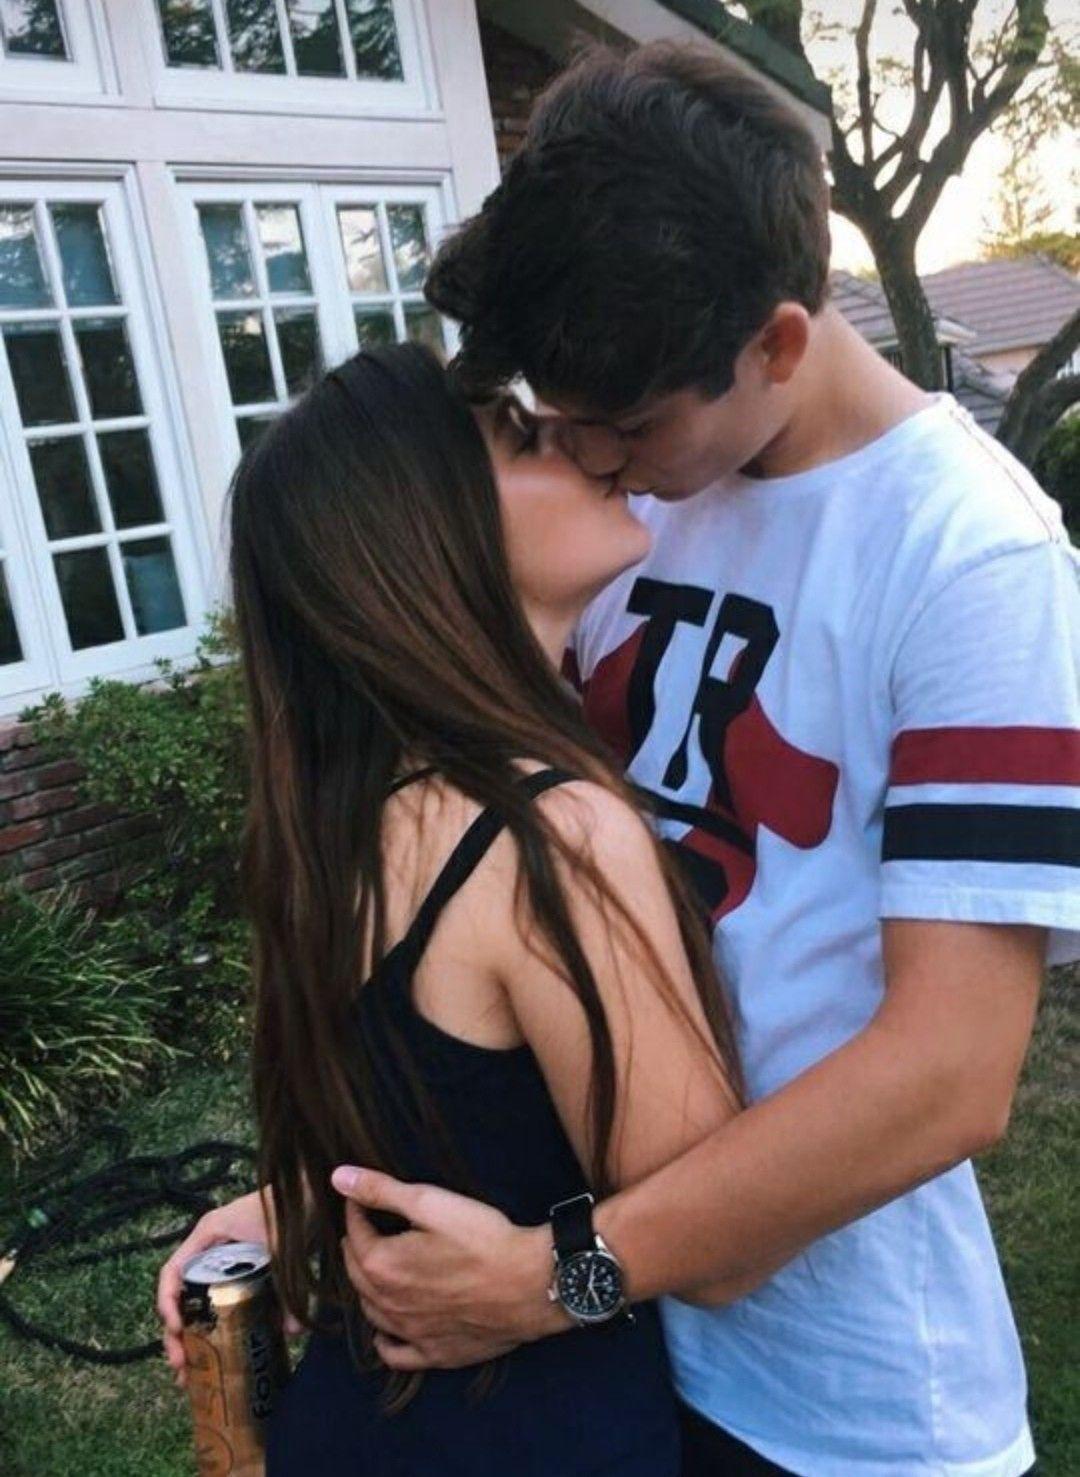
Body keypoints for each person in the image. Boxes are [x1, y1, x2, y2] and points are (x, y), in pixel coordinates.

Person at [326, 43, 1080, 1477]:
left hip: (848, 1405)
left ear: (779, 344)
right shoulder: (634, 501)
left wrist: (559, 1277)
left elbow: (951, 1071)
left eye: (625, 426)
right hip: (632, 1349)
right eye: (559, 422)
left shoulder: (973, 559)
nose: (593, 457)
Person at [157, 342, 747, 1475]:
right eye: (527, 438)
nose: (590, 446)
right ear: (432, 534)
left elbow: (431, 1127)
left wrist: (287, 1205)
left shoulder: (335, 822)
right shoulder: (549, 834)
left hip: (358, 1420)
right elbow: (716, 1241)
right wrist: (567, 1278)